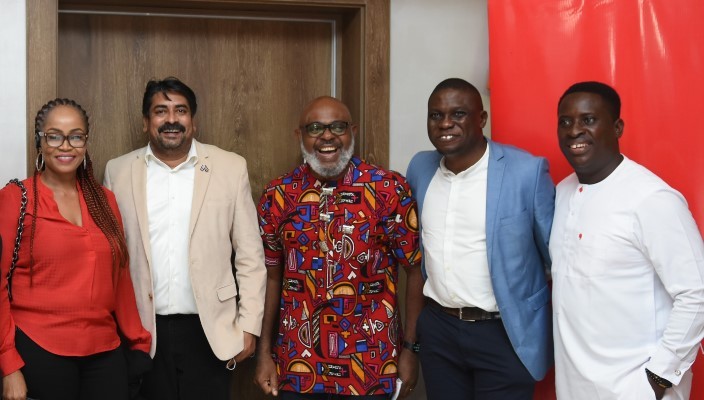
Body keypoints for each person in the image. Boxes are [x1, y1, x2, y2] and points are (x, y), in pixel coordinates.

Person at [103, 77, 267, 400]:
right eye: (160, 111)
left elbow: (250, 255)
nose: (171, 119)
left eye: (181, 110)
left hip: (210, 330)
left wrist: (250, 325)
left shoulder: (230, 168)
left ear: (193, 120)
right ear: (146, 122)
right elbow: (111, 256)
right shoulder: (118, 171)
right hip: (142, 331)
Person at [254, 96, 423, 399]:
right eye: (315, 128)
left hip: (371, 366)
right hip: (297, 367)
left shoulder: (388, 189)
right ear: (299, 136)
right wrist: (264, 353)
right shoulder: (277, 195)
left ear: (352, 132)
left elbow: (415, 270)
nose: (327, 136)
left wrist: (410, 349)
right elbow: (273, 277)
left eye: (338, 127)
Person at [551, 81, 704, 400]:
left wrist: (658, 378)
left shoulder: (651, 199)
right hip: (573, 386)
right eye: (565, 121)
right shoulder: (562, 192)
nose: (574, 130)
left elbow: (697, 292)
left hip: (634, 388)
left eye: (588, 120)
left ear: (617, 127)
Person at [405, 78, 555, 399]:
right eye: (436, 115)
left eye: (458, 114)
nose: (445, 123)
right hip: (440, 330)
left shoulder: (526, 172)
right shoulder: (420, 168)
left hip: (505, 333)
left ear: (482, 119)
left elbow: (555, 257)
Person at [0, 98, 151, 400]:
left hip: (104, 350)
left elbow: (120, 277)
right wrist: (8, 365)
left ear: (85, 142)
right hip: (39, 348)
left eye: (76, 136)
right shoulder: (16, 198)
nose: (66, 146)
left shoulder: (104, 201)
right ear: (40, 142)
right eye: (54, 136)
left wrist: (138, 343)